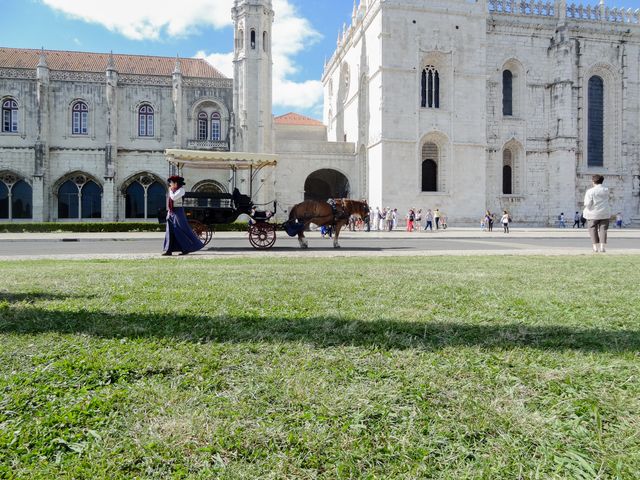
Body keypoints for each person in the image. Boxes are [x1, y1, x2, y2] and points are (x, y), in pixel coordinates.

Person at [162, 176, 204, 256]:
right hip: (172, 212)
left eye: (171, 182)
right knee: (170, 231)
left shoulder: (181, 190)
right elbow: (169, 202)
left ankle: (187, 248)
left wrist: (170, 190)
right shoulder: (172, 190)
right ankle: (168, 250)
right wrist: (168, 214)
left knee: (181, 229)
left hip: (178, 212)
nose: (170, 184)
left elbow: (173, 197)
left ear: (176, 183)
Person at [583, 174, 611, 253]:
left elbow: (587, 203)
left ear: (593, 181)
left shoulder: (590, 191)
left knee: (592, 229)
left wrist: (587, 208)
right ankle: (602, 247)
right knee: (603, 230)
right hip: (604, 213)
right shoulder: (606, 190)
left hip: (592, 214)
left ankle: (595, 247)